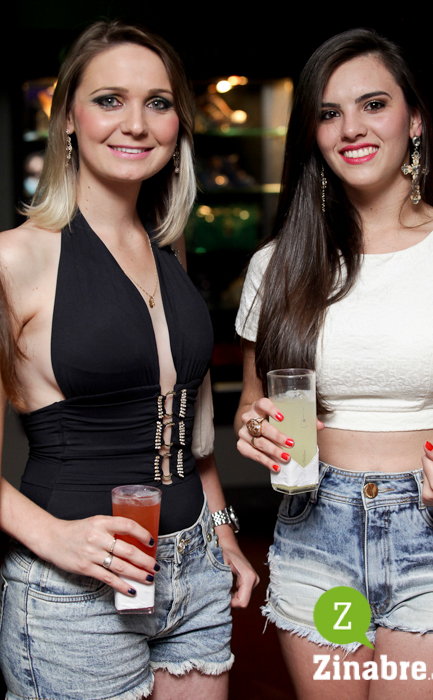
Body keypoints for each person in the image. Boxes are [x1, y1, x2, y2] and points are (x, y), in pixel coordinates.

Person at [0, 20, 258, 700]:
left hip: (194, 572)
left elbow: (190, 431)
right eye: (109, 99)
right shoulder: (14, 259)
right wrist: (50, 538)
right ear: (67, 118)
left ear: (178, 125)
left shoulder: (167, 249)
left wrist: (224, 534)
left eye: (158, 102)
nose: (136, 124)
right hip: (77, 592)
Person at [235, 28, 433, 700]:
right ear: (313, 133)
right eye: (329, 112)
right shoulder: (277, 263)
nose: (351, 129)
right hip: (316, 530)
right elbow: (254, 401)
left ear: (413, 120)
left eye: (373, 104)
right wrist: (255, 429)